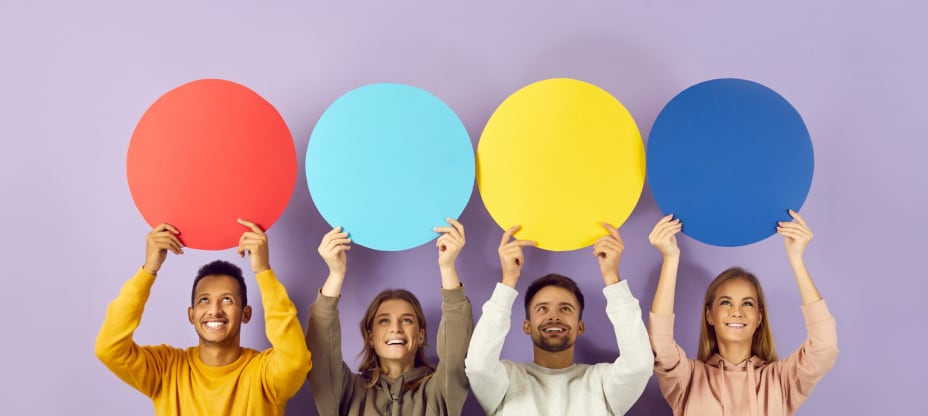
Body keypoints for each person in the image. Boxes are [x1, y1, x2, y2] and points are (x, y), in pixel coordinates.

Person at [94, 220, 311, 415]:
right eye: (204, 301)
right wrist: (148, 270)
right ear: (191, 315)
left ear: (246, 314)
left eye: (227, 300)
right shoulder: (165, 370)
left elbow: (296, 360)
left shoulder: (265, 375)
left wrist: (263, 271)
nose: (214, 310)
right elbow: (109, 348)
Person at [647, 210, 838, 415]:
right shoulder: (688, 379)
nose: (736, 311)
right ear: (710, 315)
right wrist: (670, 258)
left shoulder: (781, 380)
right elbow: (661, 346)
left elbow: (824, 347)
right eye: (726, 303)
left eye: (747, 304)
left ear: (759, 318)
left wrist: (797, 260)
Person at [465, 224, 653, 415]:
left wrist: (612, 277)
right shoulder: (506, 381)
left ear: (580, 327)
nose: (554, 316)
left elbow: (639, 365)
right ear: (526, 326)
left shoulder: (602, 382)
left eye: (565, 308)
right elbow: (478, 366)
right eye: (542, 308)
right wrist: (508, 280)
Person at [306, 218, 473, 415]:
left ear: (420, 336)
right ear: (370, 336)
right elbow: (320, 354)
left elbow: (455, 353)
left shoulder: (438, 390)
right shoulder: (347, 390)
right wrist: (336, 273)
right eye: (384, 320)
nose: (396, 328)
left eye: (407, 320)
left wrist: (447, 267)